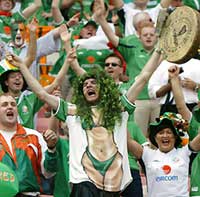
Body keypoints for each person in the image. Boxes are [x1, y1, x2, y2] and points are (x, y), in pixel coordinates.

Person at [6, 37, 164, 196]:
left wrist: (158, 50)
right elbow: (41, 93)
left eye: (93, 83)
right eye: (85, 84)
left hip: (113, 183)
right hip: (83, 182)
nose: (88, 85)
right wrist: (22, 67)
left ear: (104, 89)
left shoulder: (119, 110)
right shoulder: (73, 112)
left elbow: (143, 78)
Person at [93, 0, 161, 136]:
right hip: (139, 99)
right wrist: (101, 20)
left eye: (152, 34)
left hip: (160, 100)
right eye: (145, 34)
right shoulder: (132, 46)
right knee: (139, 137)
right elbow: (113, 38)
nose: (148, 37)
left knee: (158, 138)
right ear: (139, 36)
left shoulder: (162, 49)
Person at [0, 93, 58, 196]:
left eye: (13, 104)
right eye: (4, 104)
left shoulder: (34, 136)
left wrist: (51, 149)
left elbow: (49, 173)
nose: (10, 107)